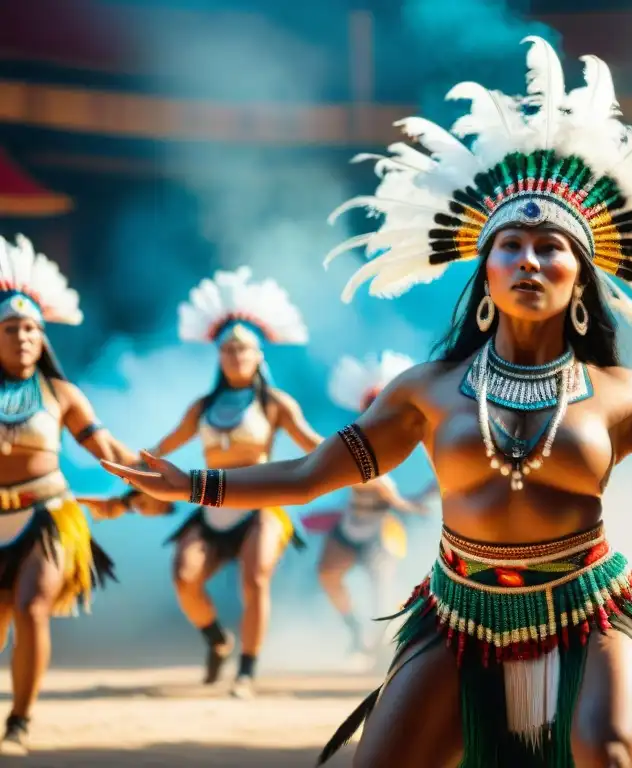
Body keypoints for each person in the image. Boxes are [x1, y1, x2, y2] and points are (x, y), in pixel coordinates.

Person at [99, 39, 632, 768]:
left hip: (588, 612)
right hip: (458, 616)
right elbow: (309, 474)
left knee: (611, 754)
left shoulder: (626, 397)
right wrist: (192, 485)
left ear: (581, 280)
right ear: (481, 272)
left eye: (550, 247)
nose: (528, 259)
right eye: (509, 244)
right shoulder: (425, 392)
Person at [91, 267, 323, 699]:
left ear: (259, 356)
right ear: (218, 356)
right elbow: (160, 451)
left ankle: (247, 671)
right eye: (228, 349)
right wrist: (129, 488)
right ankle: (217, 640)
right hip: (212, 507)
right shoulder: (202, 407)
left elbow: (315, 444)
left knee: (255, 580)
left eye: (243, 349)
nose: (235, 356)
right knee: (185, 576)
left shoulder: (275, 404)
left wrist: (363, 457)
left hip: (260, 506)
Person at [0, 234, 145, 754]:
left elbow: (107, 449)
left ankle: (18, 721)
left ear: (44, 339)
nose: (23, 337)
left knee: (31, 607)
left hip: (48, 515)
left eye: (32, 329)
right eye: (12, 328)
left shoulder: (61, 394)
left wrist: (148, 479)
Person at [303, 350, 436, 659]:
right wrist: (401, 500)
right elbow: (354, 478)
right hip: (351, 525)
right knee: (327, 573)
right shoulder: (350, 440)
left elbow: (401, 487)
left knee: (382, 591)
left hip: (380, 530)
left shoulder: (407, 438)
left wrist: (418, 497)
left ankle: (380, 649)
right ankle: (355, 630)